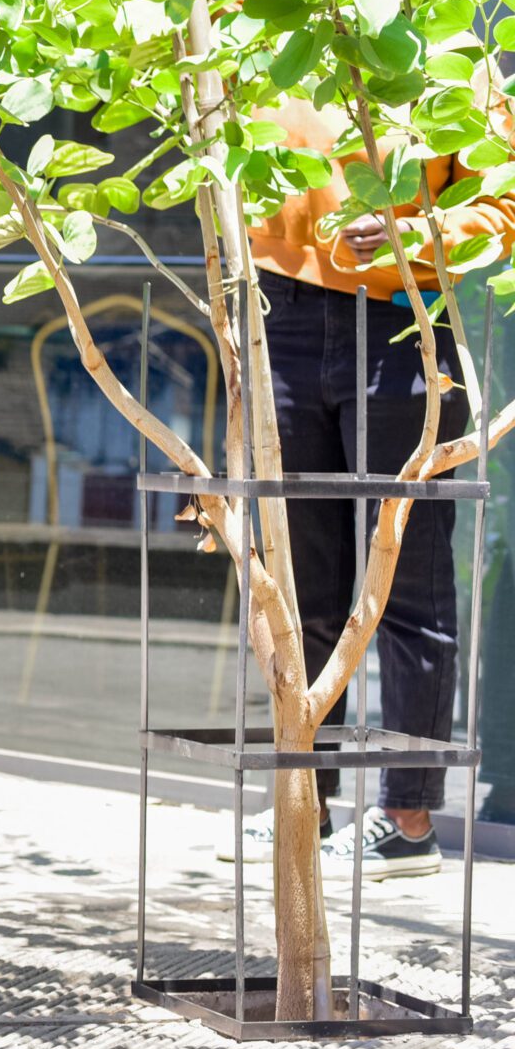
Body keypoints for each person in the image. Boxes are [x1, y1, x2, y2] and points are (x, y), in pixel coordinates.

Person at [218, 98, 515, 880]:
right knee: (299, 583)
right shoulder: (271, 41)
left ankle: (408, 818)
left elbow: (505, 202)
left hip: (400, 320)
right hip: (279, 316)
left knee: (406, 581)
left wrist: (418, 233)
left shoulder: (449, 55)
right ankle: (305, 802)